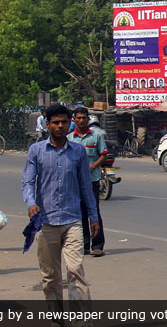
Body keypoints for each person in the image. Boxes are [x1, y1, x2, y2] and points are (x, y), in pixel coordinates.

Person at [22, 104, 99, 317]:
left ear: (70, 124)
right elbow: (28, 182)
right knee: (50, 277)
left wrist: (93, 216)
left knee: (76, 271)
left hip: (72, 220)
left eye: (64, 122)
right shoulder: (36, 151)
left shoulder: (78, 152)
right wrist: (30, 203)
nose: (60, 126)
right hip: (45, 222)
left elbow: (85, 186)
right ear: (47, 124)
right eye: (55, 122)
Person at [68, 107, 108, 257]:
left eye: (84, 118)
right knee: (80, 214)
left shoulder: (96, 136)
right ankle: (84, 244)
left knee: (94, 212)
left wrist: (93, 165)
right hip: (75, 182)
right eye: (78, 118)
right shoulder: (70, 138)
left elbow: (103, 155)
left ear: (88, 119)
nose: (81, 121)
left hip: (92, 180)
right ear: (74, 120)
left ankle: (97, 244)